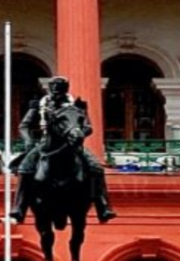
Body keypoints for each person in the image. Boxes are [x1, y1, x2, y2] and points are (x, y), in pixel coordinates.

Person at [8, 76, 118, 224]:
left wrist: (80, 134)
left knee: (96, 167)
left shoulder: (77, 106)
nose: (56, 91)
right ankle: (19, 208)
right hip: (44, 143)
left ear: (65, 89)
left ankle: (103, 206)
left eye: (59, 87)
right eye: (53, 87)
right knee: (24, 168)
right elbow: (24, 126)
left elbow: (88, 126)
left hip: (72, 144)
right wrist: (28, 142)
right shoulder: (39, 105)